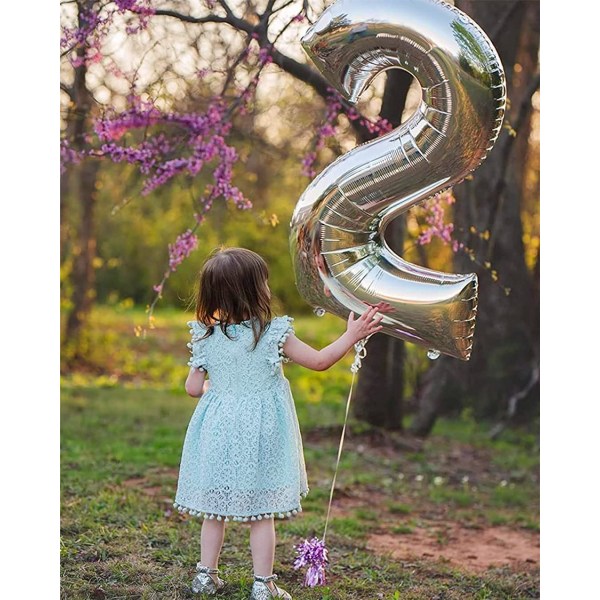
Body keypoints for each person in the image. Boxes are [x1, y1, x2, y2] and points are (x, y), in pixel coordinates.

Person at [173, 246, 383, 599]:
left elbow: (192, 388)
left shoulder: (206, 336)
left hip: (218, 430)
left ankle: (206, 576)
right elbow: (318, 361)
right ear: (255, 290)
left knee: (214, 509)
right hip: (260, 433)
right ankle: (263, 584)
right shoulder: (272, 333)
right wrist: (352, 335)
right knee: (261, 513)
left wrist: (219, 388)